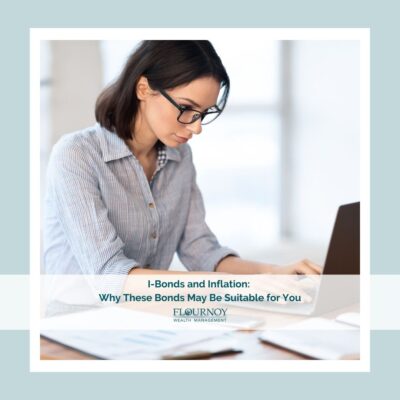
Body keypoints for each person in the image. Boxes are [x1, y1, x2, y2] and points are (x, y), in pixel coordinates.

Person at [43, 40, 321, 288]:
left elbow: (200, 250)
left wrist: (272, 273)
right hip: (73, 327)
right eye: (186, 108)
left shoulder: (180, 157)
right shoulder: (76, 155)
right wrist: (227, 288)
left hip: (144, 319)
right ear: (143, 88)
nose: (197, 127)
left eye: (203, 113)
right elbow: (109, 275)